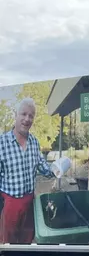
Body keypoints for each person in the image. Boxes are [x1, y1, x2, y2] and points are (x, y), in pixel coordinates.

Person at [0, 97, 57, 244]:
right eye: (23, 114)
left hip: (30, 202)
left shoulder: (34, 142)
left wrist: (56, 169)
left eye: (31, 115)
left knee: (27, 240)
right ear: (16, 115)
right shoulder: (2, 143)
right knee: (7, 244)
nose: (27, 119)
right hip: (10, 203)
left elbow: (42, 165)